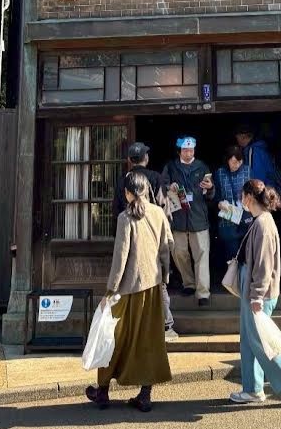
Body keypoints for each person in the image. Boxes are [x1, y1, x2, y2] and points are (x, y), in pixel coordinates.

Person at [86, 171, 172, 412]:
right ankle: (145, 394)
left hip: (127, 289)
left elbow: (120, 258)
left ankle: (103, 391)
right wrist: (165, 277)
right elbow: (166, 248)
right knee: (149, 340)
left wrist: (110, 290)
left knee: (113, 337)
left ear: (127, 193)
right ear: (146, 190)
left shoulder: (125, 218)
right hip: (152, 286)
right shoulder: (158, 213)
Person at [230, 178, 281, 406]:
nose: (241, 199)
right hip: (255, 290)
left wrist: (256, 296)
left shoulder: (263, 224)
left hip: (259, 293)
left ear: (248, 197)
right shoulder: (261, 221)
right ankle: (253, 389)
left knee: (260, 343)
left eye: (242, 196)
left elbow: (264, 266)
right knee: (250, 341)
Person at [114, 141, 178, 341]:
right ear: (146, 158)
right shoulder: (155, 178)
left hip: (129, 234)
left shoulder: (123, 181)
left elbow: (116, 209)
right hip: (152, 235)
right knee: (159, 282)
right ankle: (166, 326)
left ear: (129, 160)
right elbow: (164, 207)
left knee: (130, 283)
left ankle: (133, 329)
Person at [162, 136, 214, 306]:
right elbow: (161, 186)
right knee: (179, 253)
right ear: (179, 151)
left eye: (191, 150)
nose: (188, 153)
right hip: (178, 218)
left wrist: (210, 188)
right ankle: (189, 283)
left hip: (198, 217)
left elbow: (211, 195)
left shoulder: (202, 167)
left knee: (202, 255)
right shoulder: (171, 167)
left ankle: (203, 293)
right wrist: (168, 187)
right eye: (185, 150)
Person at [215, 145, 252, 261]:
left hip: (246, 219)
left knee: (248, 255)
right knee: (232, 258)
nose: (237, 165)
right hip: (228, 220)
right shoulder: (220, 173)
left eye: (239, 162)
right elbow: (215, 195)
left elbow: (256, 192)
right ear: (227, 160)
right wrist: (219, 203)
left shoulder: (248, 171)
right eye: (234, 162)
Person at [235, 123, 281, 197]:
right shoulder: (260, 148)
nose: (237, 140)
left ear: (243, 136)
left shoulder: (254, 151)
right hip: (272, 191)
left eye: (237, 137)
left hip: (266, 194)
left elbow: (256, 179)